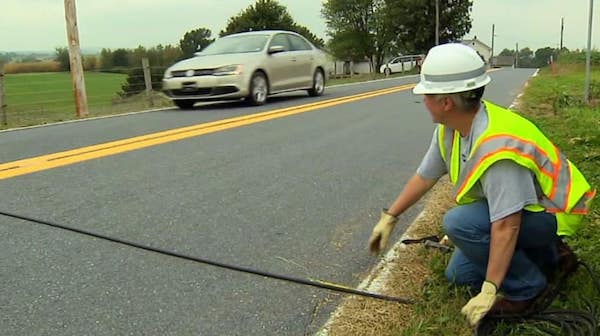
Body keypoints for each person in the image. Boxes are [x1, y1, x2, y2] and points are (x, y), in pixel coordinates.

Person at [368, 43, 596, 326]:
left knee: (459, 222)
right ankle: (550, 256)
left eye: (426, 94)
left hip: (552, 215)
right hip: (528, 211)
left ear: (446, 102)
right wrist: (391, 215)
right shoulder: (452, 129)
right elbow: (425, 176)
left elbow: (507, 225)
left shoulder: (499, 149)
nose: (423, 99)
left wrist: (491, 288)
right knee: (459, 275)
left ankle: (527, 287)